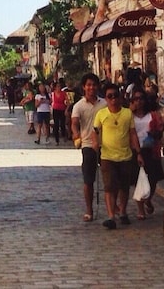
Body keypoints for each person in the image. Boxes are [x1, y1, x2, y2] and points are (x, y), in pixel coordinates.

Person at [93, 83, 138, 229]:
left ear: (120, 97)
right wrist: (95, 145)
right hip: (107, 156)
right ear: (106, 99)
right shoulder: (101, 114)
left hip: (125, 155)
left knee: (124, 187)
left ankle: (123, 212)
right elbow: (95, 131)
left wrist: (138, 152)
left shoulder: (127, 113)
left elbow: (132, 133)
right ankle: (111, 216)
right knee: (109, 187)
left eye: (115, 96)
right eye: (109, 96)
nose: (113, 99)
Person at [71, 73, 106, 223]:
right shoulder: (79, 106)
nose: (91, 87)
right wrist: (75, 134)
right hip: (87, 144)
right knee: (88, 180)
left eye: (94, 84)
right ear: (84, 87)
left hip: (106, 144)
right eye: (88, 85)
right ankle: (89, 209)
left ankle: (115, 207)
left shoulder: (104, 103)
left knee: (110, 177)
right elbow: (74, 123)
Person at [130, 92, 164, 220]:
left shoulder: (153, 115)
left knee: (153, 179)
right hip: (136, 149)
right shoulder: (129, 116)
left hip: (151, 149)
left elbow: (160, 130)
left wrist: (156, 133)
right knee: (139, 180)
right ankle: (140, 209)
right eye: (136, 99)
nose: (139, 101)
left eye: (141, 98)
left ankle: (148, 199)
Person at [51, 79, 69, 145]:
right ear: (55, 87)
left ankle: (64, 136)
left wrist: (66, 109)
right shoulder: (53, 94)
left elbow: (68, 102)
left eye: (59, 86)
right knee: (56, 125)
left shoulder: (63, 93)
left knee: (62, 124)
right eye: (57, 86)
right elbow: (51, 102)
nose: (59, 88)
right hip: (55, 110)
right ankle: (57, 140)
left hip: (62, 109)